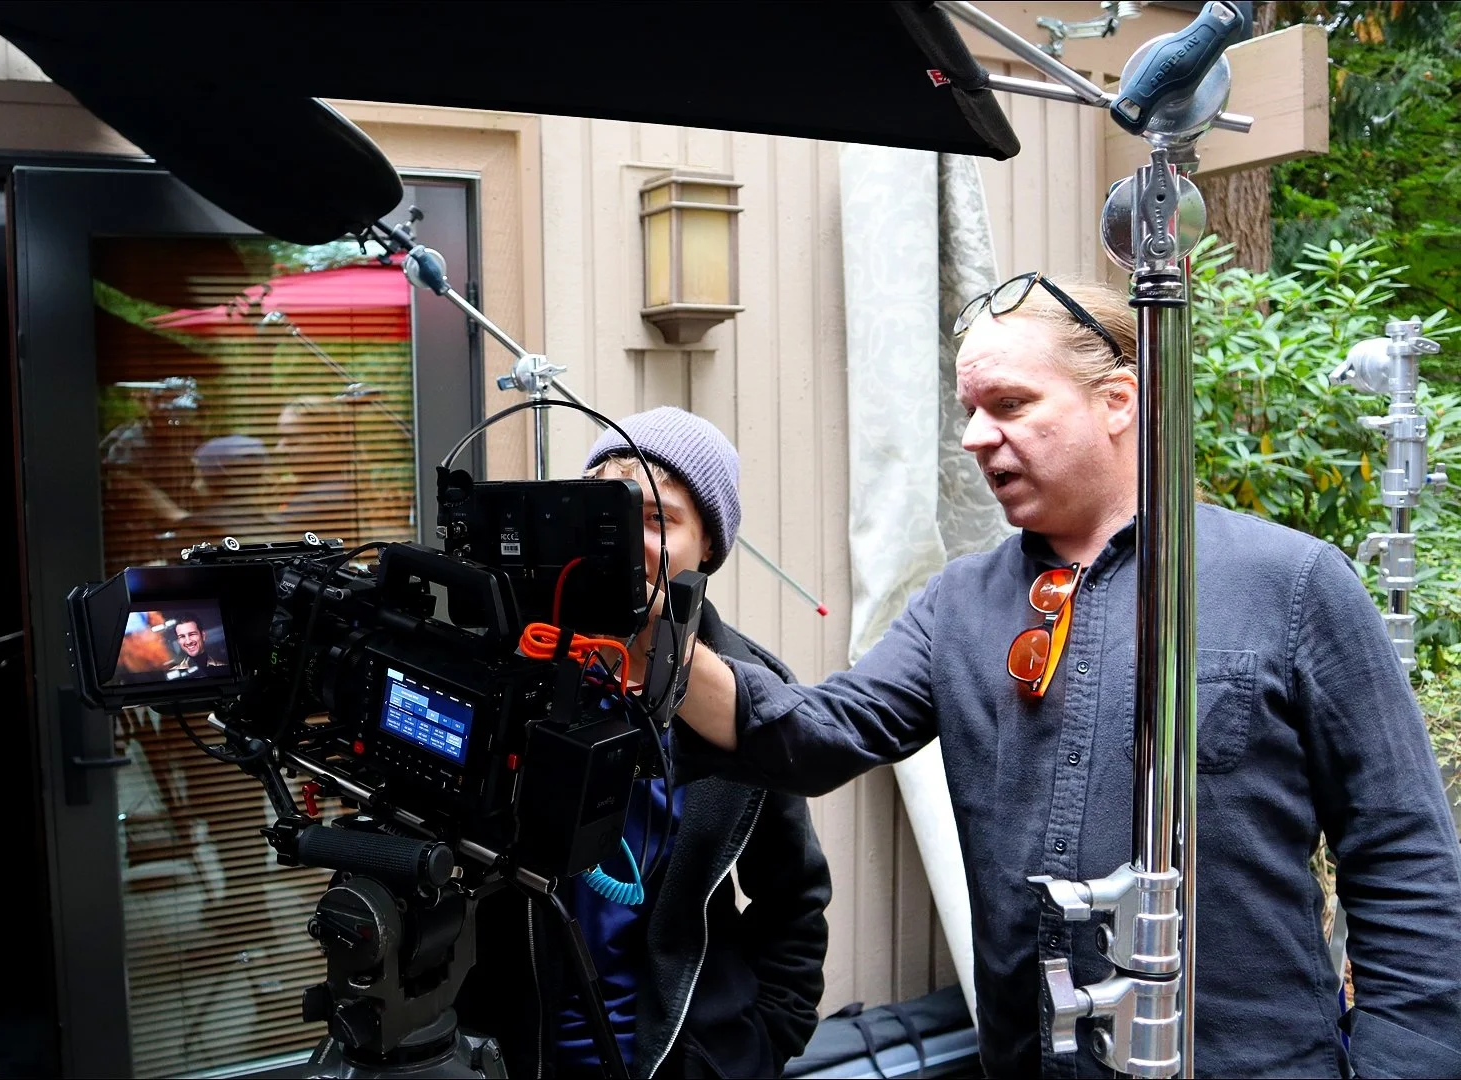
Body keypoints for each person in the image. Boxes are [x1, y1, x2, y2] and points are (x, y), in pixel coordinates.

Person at [661, 274, 1461, 1078]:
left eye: (1008, 405)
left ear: (1118, 401)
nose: (975, 436)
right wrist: (651, 635)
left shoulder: (1290, 584)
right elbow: (812, 736)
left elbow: (1403, 859)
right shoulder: (960, 605)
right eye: (971, 411)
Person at [456, 406, 831, 1079]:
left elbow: (794, 904)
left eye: (658, 518)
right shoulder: (514, 671)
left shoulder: (752, 697)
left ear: (708, 546)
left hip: (680, 1057)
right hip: (517, 1057)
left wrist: (756, 1046)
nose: (630, 539)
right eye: (611, 511)